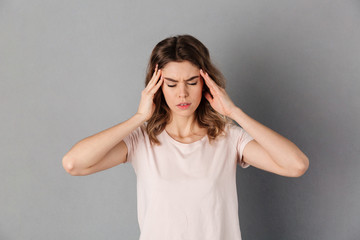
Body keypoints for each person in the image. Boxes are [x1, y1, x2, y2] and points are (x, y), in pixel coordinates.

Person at [62, 34, 309, 240]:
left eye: (192, 82)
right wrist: (138, 117)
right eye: (171, 84)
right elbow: (74, 164)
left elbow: (296, 165)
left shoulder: (228, 138)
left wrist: (234, 113)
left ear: (206, 83)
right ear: (156, 86)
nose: (182, 93)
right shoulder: (141, 140)